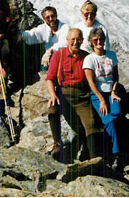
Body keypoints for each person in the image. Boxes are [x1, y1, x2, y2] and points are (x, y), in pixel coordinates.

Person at [45, 28, 102, 161]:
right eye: (72, 39)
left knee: (91, 124)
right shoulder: (58, 55)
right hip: (63, 93)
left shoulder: (87, 57)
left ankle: (95, 160)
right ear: (67, 40)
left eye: (78, 39)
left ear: (82, 41)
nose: (75, 42)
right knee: (52, 107)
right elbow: (50, 78)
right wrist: (53, 95)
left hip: (82, 96)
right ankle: (57, 144)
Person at [83, 27, 122, 169]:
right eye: (95, 40)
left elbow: (116, 76)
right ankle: (115, 154)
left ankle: (109, 144)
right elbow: (91, 82)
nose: (99, 42)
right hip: (97, 95)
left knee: (116, 115)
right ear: (92, 42)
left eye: (101, 39)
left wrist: (113, 91)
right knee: (109, 120)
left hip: (110, 92)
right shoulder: (89, 59)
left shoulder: (111, 55)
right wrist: (101, 100)